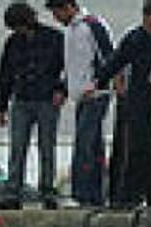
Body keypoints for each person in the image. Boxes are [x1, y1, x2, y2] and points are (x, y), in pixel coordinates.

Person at [93, 0, 151, 206]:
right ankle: (129, 195)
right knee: (136, 149)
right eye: (148, 19)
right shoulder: (135, 38)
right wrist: (98, 80)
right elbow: (116, 61)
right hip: (139, 99)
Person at [0, 1, 67, 208]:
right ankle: (13, 191)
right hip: (21, 99)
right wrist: (2, 106)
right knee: (17, 148)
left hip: (47, 99)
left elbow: (66, 67)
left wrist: (62, 90)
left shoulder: (55, 38)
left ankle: (47, 190)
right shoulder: (12, 43)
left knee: (47, 147)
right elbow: (5, 75)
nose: (17, 31)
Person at [48, 0, 115, 206]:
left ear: (68, 7)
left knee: (84, 145)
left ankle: (83, 193)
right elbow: (71, 65)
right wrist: (63, 88)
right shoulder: (70, 31)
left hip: (96, 94)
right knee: (93, 146)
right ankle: (96, 193)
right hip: (80, 95)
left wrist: (98, 83)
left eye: (57, 12)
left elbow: (109, 57)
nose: (55, 17)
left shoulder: (92, 26)